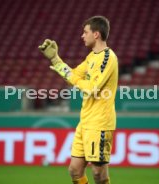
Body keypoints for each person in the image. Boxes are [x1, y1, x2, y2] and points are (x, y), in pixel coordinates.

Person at [39, 15, 118, 184]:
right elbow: (73, 76)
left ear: (96, 34)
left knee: (98, 174)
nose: (82, 36)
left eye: (85, 32)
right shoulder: (91, 58)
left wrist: (75, 80)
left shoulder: (107, 57)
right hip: (85, 122)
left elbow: (91, 89)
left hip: (100, 123)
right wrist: (55, 59)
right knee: (75, 170)